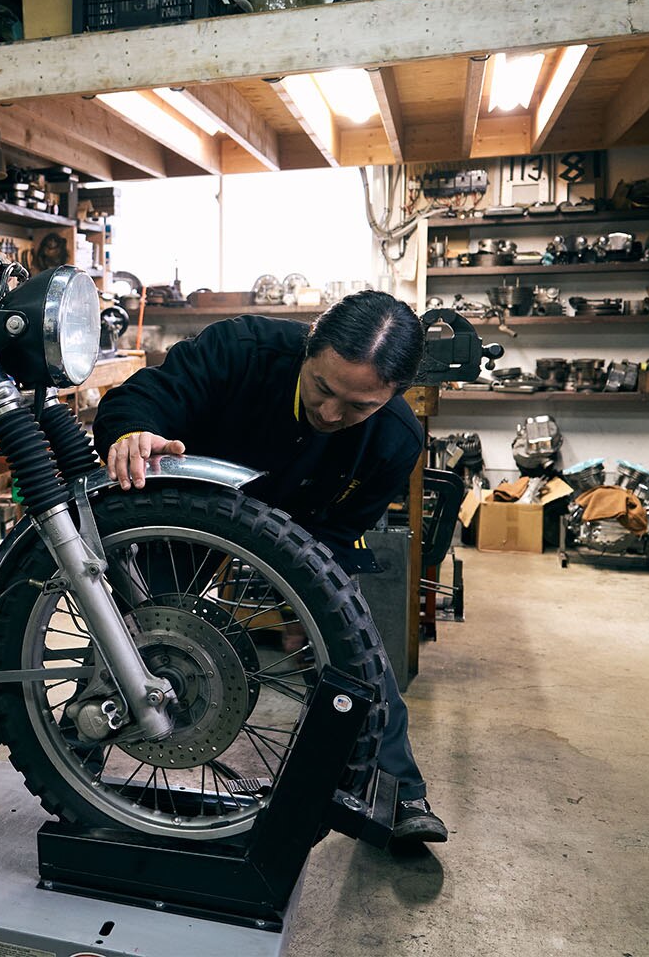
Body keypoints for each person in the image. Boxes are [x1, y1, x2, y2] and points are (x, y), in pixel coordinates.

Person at [92, 291, 449, 845]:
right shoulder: (240, 349)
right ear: (309, 347)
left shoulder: (397, 440)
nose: (330, 414)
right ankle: (75, 749)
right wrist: (132, 432)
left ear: (394, 394)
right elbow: (143, 396)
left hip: (303, 534)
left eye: (358, 407)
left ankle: (398, 790)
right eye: (322, 388)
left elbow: (339, 532)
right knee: (134, 633)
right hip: (191, 520)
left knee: (353, 647)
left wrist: (309, 610)